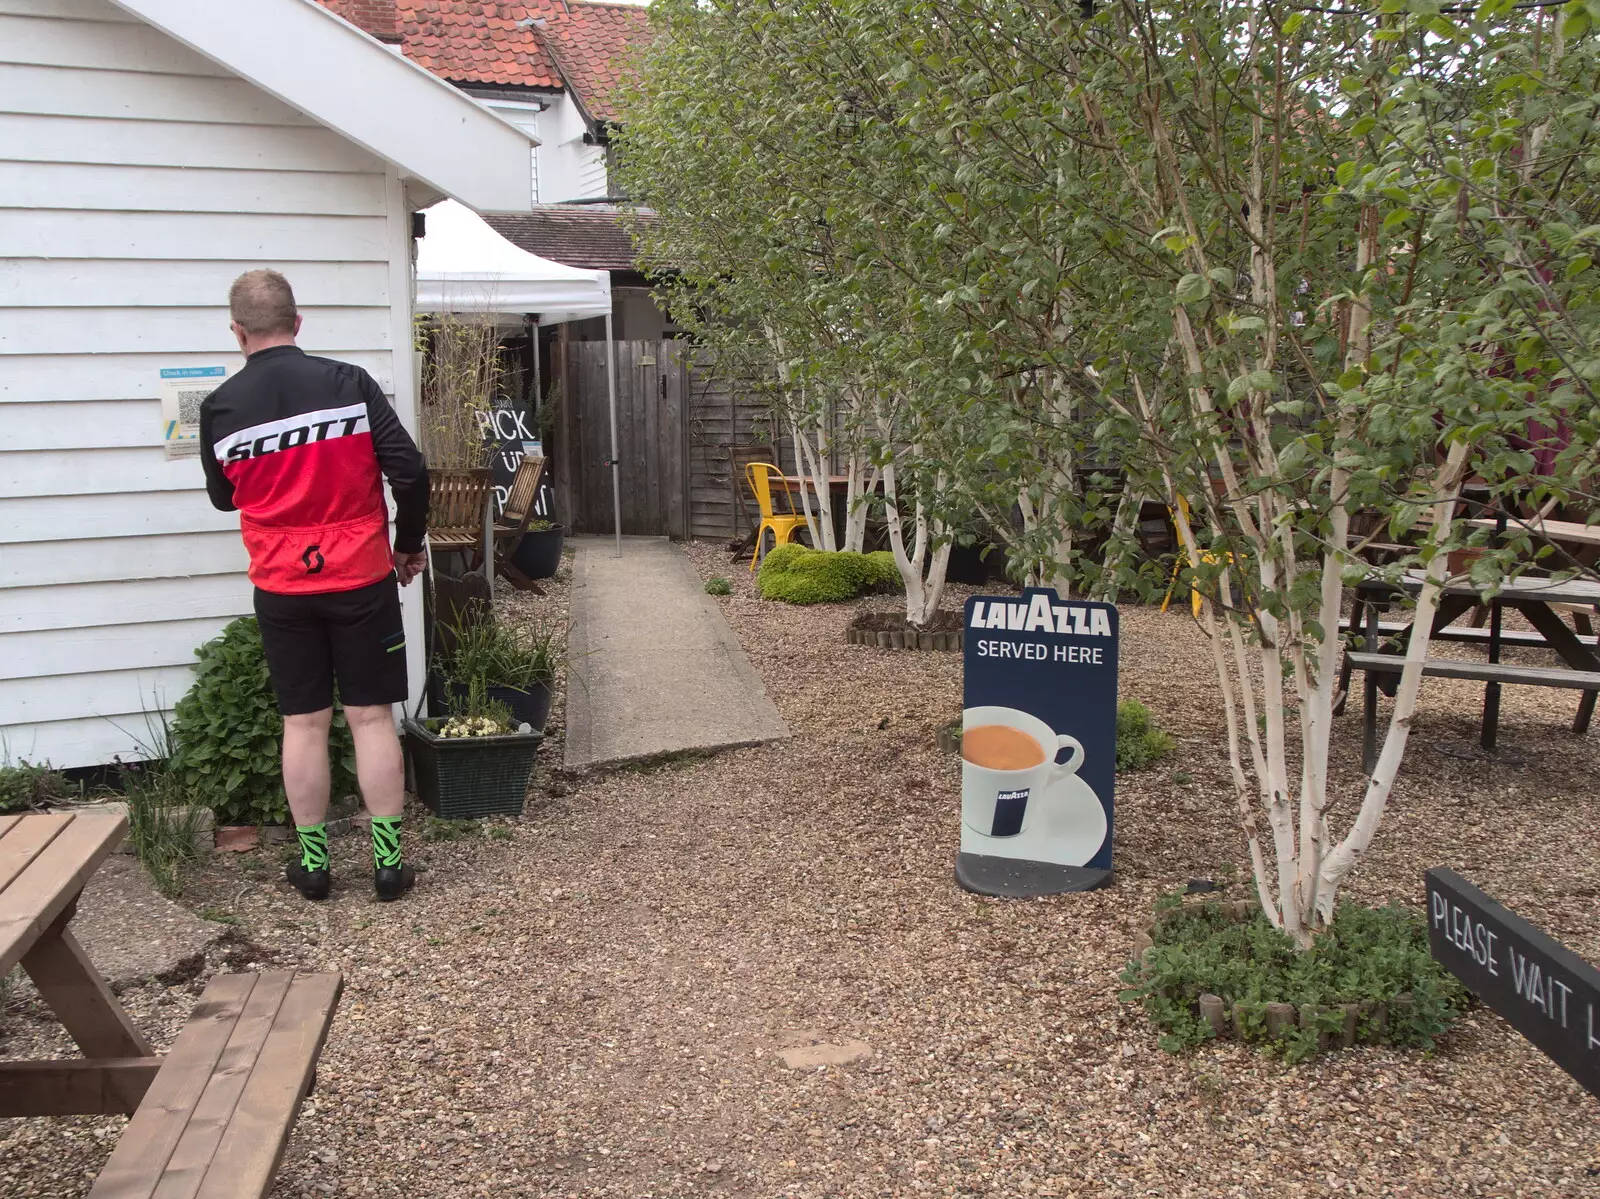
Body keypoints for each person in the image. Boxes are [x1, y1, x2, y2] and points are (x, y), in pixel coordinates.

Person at [200, 269, 430, 902]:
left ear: (237, 332)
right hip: (361, 575)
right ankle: (387, 865)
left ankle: (314, 867)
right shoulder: (348, 384)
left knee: (302, 724)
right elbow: (409, 470)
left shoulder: (220, 408)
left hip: (281, 584)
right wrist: (408, 545)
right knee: (371, 716)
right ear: (298, 324)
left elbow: (224, 499)